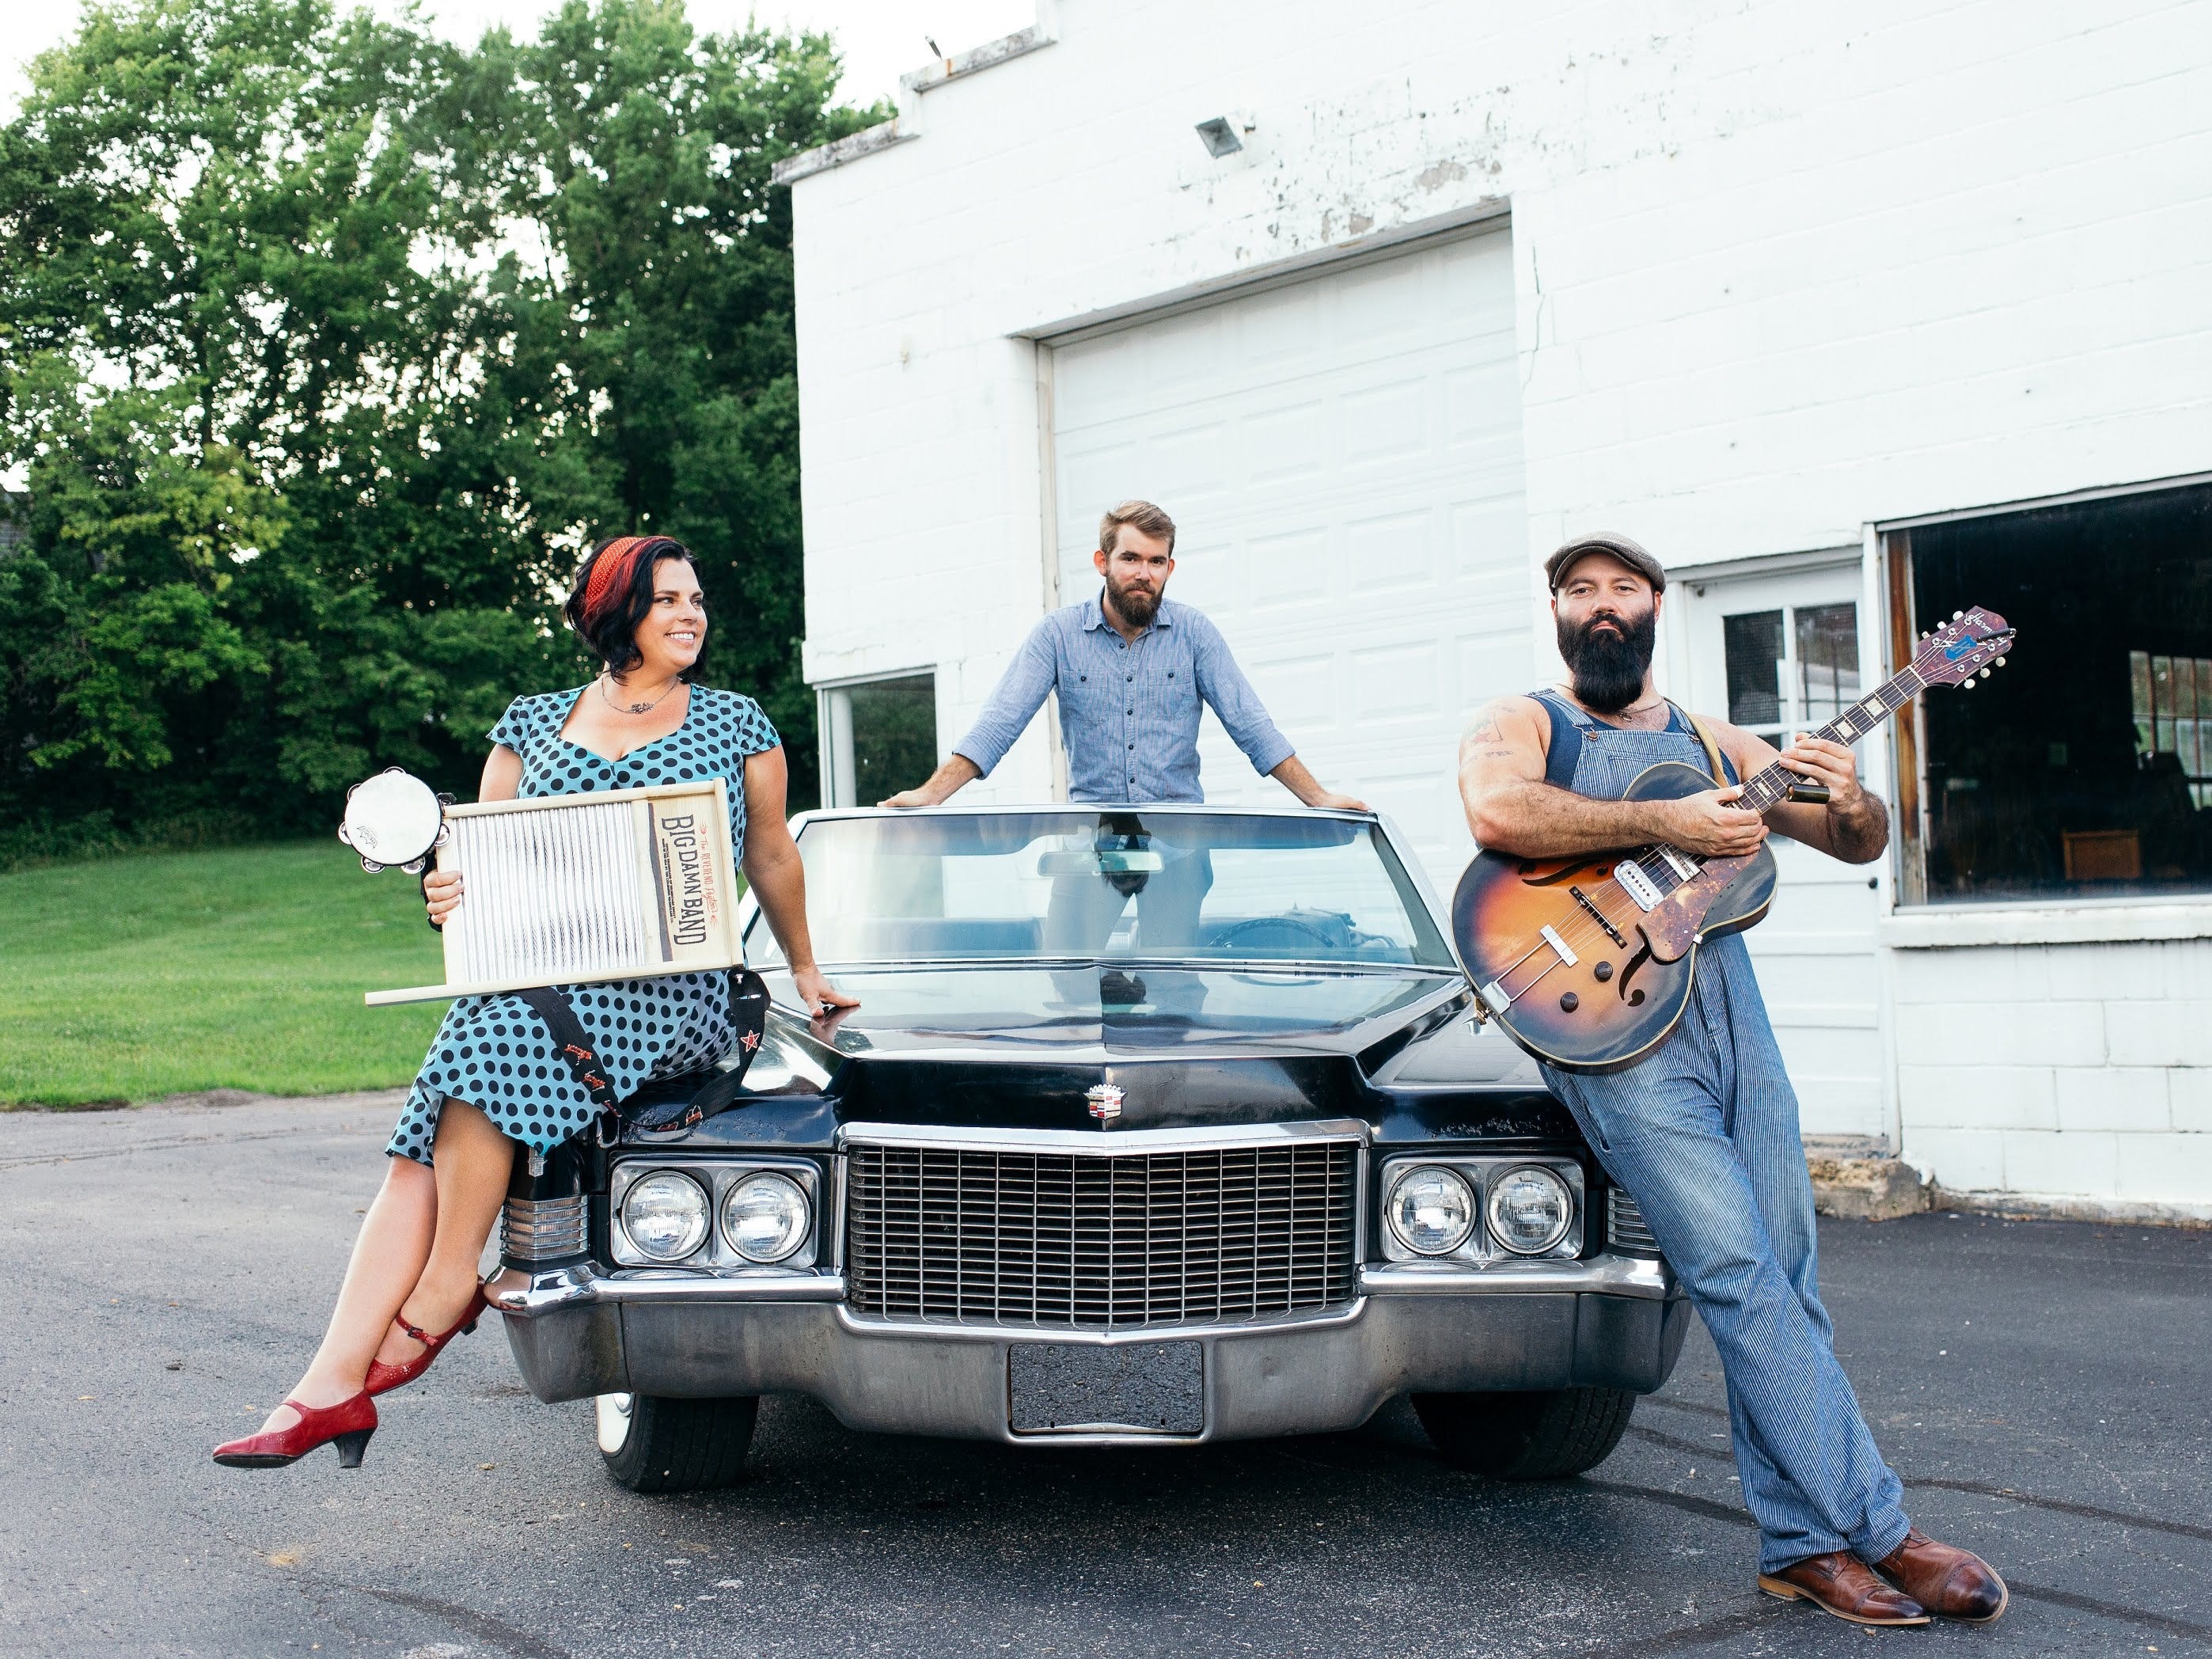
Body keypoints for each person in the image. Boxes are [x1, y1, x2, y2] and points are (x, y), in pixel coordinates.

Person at [1455, 533, 2007, 1629]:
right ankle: (1884, 1533)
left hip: (1728, 1016)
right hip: (1611, 1033)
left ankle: (1800, 1547)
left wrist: (1848, 796)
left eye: (1620, 589)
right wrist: (1665, 820)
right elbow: (1496, 812)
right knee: (1736, 1276)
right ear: (1557, 614)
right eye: (1578, 592)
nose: (1599, 607)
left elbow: (1853, 844)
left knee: (1787, 1282)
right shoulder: (1525, 720)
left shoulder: (1715, 739)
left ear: (1654, 605)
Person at [214, 535, 856, 1471]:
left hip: (669, 988)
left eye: (697, 599)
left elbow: (769, 855)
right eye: (669, 598)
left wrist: (804, 968)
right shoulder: (529, 723)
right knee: (424, 1135)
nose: (691, 614)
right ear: (617, 610)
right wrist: (441, 895)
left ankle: (438, 1293)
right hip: (540, 980)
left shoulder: (735, 721)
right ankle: (326, 1386)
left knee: (488, 1050)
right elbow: (477, 870)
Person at [882, 500, 1367, 971]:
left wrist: (1317, 796)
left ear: (1170, 567)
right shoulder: (1058, 635)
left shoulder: (1195, 633)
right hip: (1093, 846)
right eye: (1131, 558)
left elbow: (1251, 724)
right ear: (1103, 562)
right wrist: (931, 795)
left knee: (1172, 988)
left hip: (1179, 847)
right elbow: (999, 723)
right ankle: (1116, 990)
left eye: (1157, 561)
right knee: (1067, 977)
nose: (1144, 572)